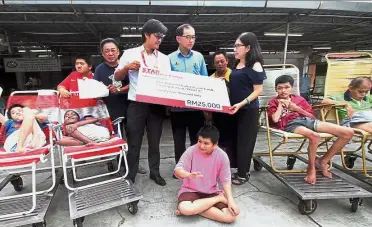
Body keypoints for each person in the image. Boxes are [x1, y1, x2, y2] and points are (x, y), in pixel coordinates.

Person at [268, 75, 354, 184]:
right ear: (276, 89)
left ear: (292, 88)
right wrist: (280, 105)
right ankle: (311, 167)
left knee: (348, 132)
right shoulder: (273, 101)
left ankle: (323, 161)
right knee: (315, 136)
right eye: (280, 88)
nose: (283, 90)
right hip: (291, 124)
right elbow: (275, 120)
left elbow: (311, 116)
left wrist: (296, 108)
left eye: (286, 87)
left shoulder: (299, 99)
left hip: (307, 121)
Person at [114, 19, 171, 186]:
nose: (160, 40)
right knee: (134, 142)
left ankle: (155, 172)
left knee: (155, 141)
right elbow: (117, 77)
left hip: (156, 105)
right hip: (136, 104)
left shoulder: (164, 59)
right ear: (146, 35)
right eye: (157, 36)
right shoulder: (130, 54)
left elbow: (168, 82)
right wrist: (126, 68)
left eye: (162, 37)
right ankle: (131, 174)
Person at [94, 38, 147, 174]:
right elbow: (96, 88)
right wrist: (102, 90)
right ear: (102, 54)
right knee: (116, 138)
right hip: (111, 110)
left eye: (113, 50)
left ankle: (133, 165)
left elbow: (136, 84)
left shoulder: (127, 66)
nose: (110, 53)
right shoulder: (100, 69)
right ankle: (118, 164)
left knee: (133, 138)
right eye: (106, 51)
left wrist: (120, 90)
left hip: (129, 107)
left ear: (118, 52)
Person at [174, 125, 239, 223]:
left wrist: (230, 200)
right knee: (186, 208)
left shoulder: (222, 156)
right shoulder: (191, 150)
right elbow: (178, 170)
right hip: (190, 190)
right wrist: (188, 175)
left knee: (230, 217)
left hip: (211, 192)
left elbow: (226, 180)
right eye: (199, 141)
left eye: (206, 143)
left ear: (215, 144)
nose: (201, 146)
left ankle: (194, 209)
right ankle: (217, 199)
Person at [168, 24, 208, 173]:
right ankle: (180, 168)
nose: (191, 40)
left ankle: (195, 167)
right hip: (177, 109)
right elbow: (167, 83)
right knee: (178, 140)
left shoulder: (199, 57)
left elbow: (205, 81)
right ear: (179, 38)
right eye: (188, 37)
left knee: (196, 140)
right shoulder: (169, 59)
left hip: (195, 109)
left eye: (193, 37)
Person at [228, 32, 266, 185]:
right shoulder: (236, 64)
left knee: (245, 142)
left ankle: (244, 174)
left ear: (248, 47)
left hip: (248, 110)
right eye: (234, 46)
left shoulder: (255, 65)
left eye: (238, 46)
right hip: (235, 109)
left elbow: (258, 91)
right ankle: (238, 169)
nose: (235, 49)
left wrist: (241, 103)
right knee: (235, 140)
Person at [209, 50, 232, 150]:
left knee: (232, 140)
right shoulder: (210, 79)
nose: (220, 64)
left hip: (233, 113)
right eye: (217, 62)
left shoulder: (234, 75)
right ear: (214, 64)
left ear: (227, 61)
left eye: (222, 61)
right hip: (217, 115)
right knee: (219, 140)